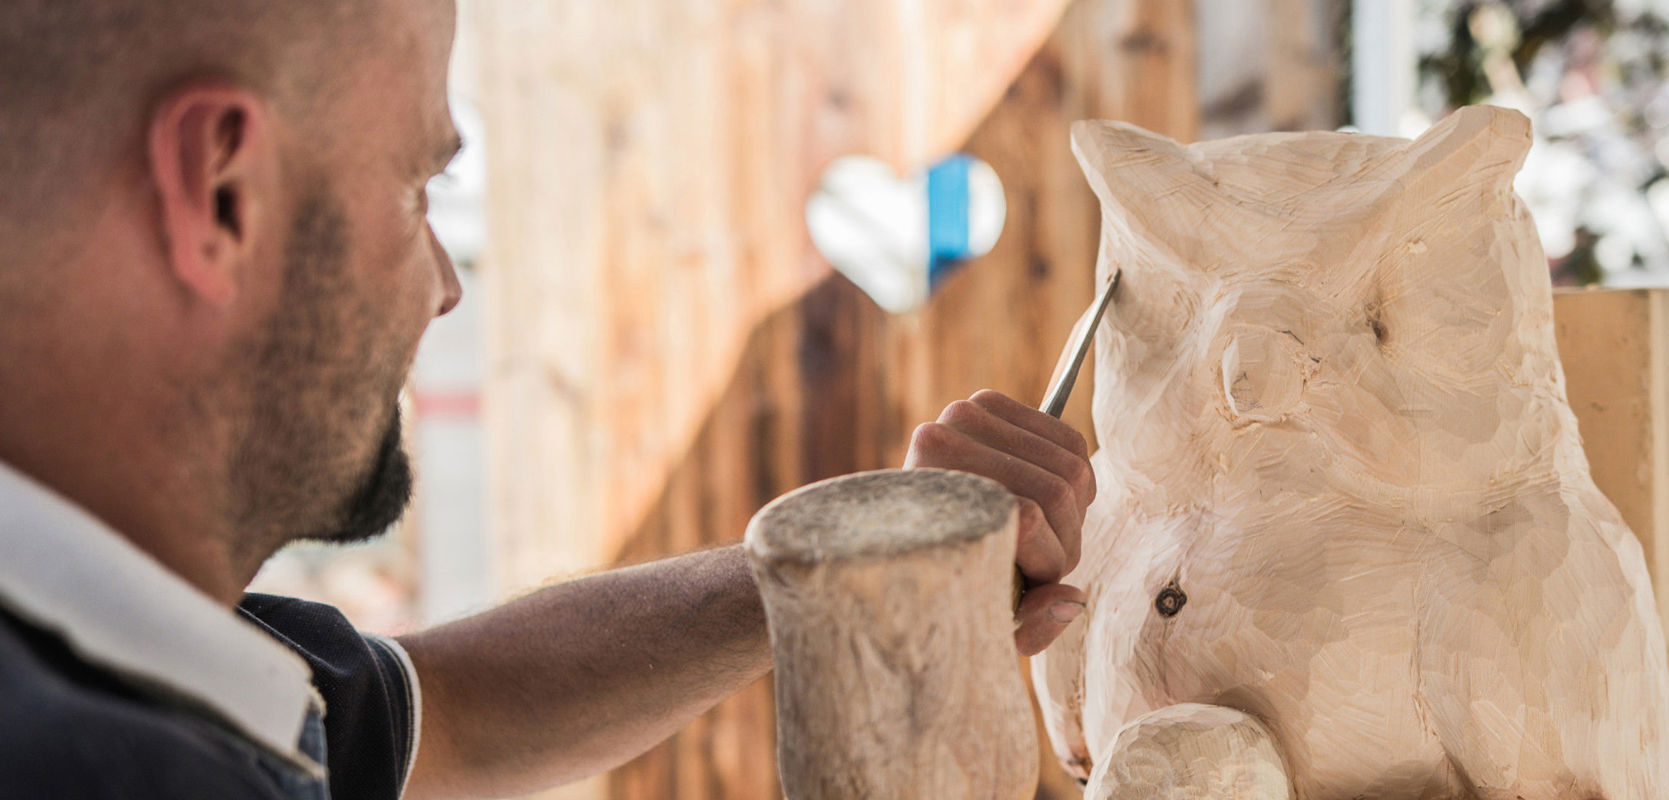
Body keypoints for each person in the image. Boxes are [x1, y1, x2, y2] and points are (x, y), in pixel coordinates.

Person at [0, 1, 1095, 797]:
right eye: (417, 192)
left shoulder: (135, 654)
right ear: (222, 195)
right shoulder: (97, 759)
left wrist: (843, 559)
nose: (444, 285)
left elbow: (452, 712)